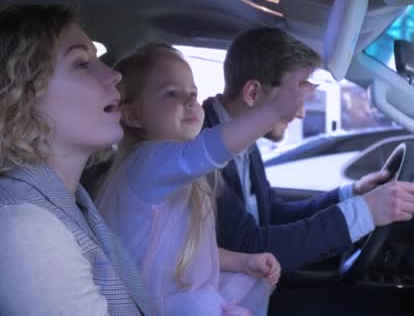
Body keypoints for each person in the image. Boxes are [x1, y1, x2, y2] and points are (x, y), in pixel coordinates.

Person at [96, 43, 312, 315]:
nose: (189, 102)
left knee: (249, 280)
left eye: (193, 94)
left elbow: (194, 251)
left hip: (180, 298)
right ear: (133, 115)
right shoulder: (144, 163)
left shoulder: (176, 172)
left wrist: (243, 262)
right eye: (171, 94)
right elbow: (210, 149)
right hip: (155, 307)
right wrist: (272, 112)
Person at [205, 27, 414, 272]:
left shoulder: (243, 139)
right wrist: (365, 211)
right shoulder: (203, 151)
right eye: (293, 95)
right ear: (253, 93)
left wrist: (353, 193)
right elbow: (247, 245)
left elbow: (273, 214)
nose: (301, 112)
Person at [0, 5, 149, 315]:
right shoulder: (26, 229)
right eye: (82, 63)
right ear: (21, 95)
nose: (114, 74)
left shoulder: (69, 202)